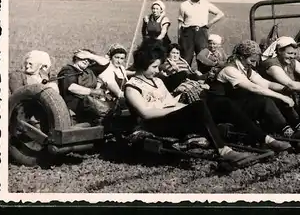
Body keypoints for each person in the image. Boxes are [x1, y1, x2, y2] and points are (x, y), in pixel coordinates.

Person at [123, 41, 290, 162]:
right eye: (154, 67)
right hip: (155, 124)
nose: (157, 71)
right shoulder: (132, 87)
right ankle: (223, 150)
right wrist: (180, 110)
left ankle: (265, 139)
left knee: (221, 103)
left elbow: (170, 101)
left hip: (170, 117)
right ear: (142, 65)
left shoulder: (157, 81)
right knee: (198, 106)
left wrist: (185, 105)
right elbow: (145, 113)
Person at [209, 39, 300, 139]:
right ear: (241, 57)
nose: (254, 64)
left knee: (276, 96)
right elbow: (254, 88)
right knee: (265, 101)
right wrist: (282, 97)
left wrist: (286, 90)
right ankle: (288, 132)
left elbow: (266, 84)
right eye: (252, 60)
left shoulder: (246, 68)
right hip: (222, 108)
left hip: (235, 102)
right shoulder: (230, 70)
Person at [57, 49, 113, 125]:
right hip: (73, 109)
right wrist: (94, 91)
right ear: (76, 57)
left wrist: (90, 55)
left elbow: (106, 63)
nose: (86, 61)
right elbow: (72, 87)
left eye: (89, 60)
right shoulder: (68, 70)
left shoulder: (90, 70)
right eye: (83, 58)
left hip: (91, 106)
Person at [178, 0, 225, 65]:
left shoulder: (205, 4)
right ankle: (184, 75)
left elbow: (220, 14)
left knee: (202, 56)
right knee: (186, 57)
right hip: (187, 33)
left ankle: (203, 76)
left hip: (201, 33)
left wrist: (210, 23)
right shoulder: (184, 5)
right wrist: (179, 37)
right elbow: (180, 23)